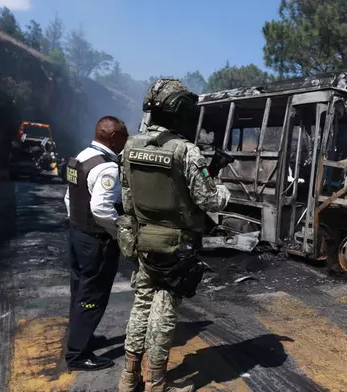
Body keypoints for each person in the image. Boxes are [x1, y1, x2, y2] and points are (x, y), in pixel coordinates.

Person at [117, 79, 230, 392]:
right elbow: (211, 200)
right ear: (180, 113)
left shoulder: (129, 146)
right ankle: (157, 383)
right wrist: (221, 185)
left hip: (142, 241)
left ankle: (128, 379)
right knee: (163, 312)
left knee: (140, 306)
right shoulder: (187, 152)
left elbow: (127, 200)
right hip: (175, 247)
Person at [63, 115, 129, 371]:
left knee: (79, 291)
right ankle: (77, 355)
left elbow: (69, 198)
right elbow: (102, 208)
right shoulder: (107, 167)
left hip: (77, 235)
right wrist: (118, 232)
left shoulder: (79, 157)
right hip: (96, 241)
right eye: (123, 137)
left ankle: (81, 337)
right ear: (113, 137)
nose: (125, 142)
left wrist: (79, 224)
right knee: (93, 297)